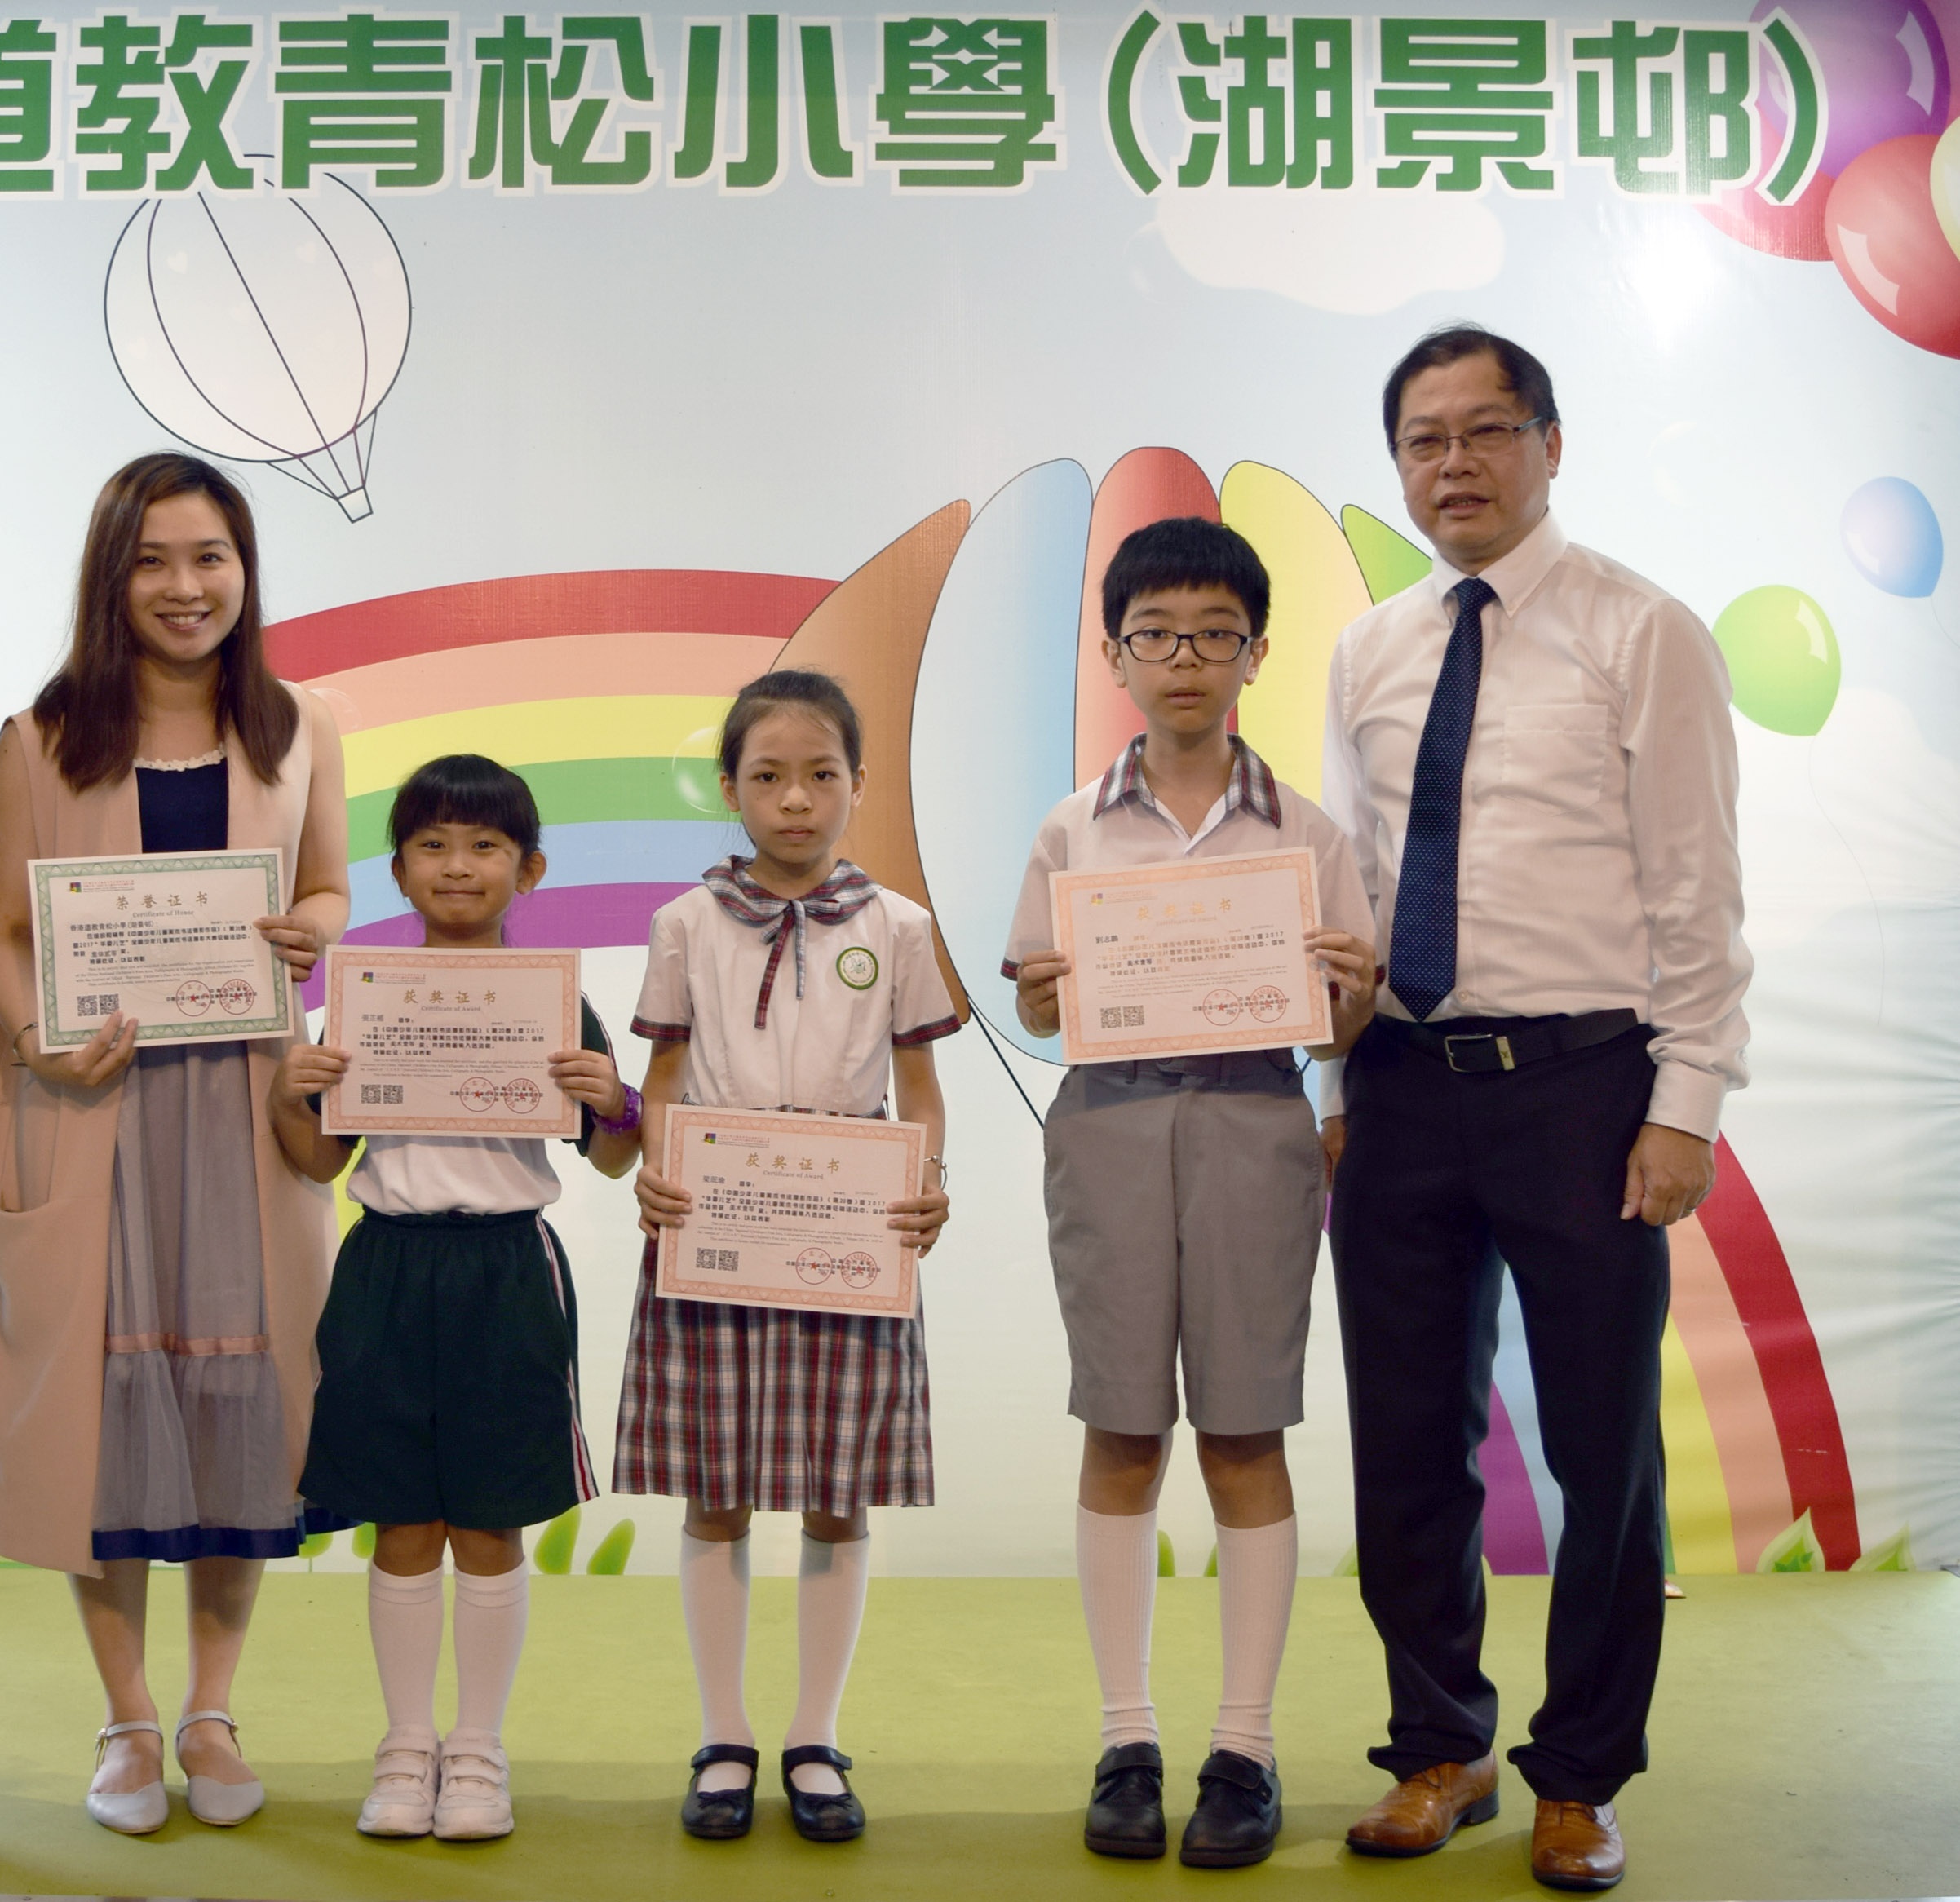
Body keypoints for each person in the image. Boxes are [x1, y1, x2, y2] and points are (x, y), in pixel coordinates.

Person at [1319, 326, 1750, 1892]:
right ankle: (1439, 1749)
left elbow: (1698, 891)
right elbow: (1355, 894)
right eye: (1424, 440)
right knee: (1405, 1443)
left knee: (1601, 1449)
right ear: (1400, 467)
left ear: (1551, 445)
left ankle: (1581, 1775)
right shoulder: (1368, 651)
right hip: (1398, 1086)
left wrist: (1686, 1103)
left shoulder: (1646, 632)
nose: (1456, 464)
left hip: (1585, 1089)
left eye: (1487, 430)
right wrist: (1332, 1077)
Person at [0, 452, 350, 1835]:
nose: (185, 587)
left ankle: (212, 1708)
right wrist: (38, 1044)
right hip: (99, 1113)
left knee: (240, 1410)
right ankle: (129, 1717)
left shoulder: (300, 726)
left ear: (244, 572)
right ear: (110, 575)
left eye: (210, 557)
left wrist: (312, 926)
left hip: (245, 1115)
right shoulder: (38, 740)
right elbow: (7, 939)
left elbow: (328, 882)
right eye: (153, 560)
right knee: (101, 1418)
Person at [1002, 517, 1378, 1868]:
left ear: (1256, 654)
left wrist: (1352, 997)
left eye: (1214, 634)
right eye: (1155, 634)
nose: (1184, 658)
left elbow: (1340, 1027)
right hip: (1108, 1121)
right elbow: (1039, 1006)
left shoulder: (1308, 833)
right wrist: (1048, 991)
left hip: (1256, 1124)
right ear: (1114, 654)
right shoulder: (1070, 826)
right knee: (1121, 1429)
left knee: (1242, 1432)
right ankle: (1128, 1741)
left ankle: (1246, 1750)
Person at [271, 754, 644, 1843]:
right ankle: (404, 1747)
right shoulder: (363, 1000)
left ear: (530, 870)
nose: (458, 865)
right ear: (398, 871)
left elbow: (614, 1157)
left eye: (485, 845)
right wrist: (292, 1093)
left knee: (487, 1521)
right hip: (385, 1267)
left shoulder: (559, 1003)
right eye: (431, 844)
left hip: (507, 1272)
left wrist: (615, 1100)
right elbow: (318, 1160)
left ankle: (478, 1749)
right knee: (401, 1520)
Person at [615, 669, 957, 1845]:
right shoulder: (684, 923)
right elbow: (663, 1076)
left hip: (850, 1237)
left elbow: (920, 1085)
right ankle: (724, 1736)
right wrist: (657, 1171)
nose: (796, 799)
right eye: (768, 776)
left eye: (821, 774)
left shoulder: (899, 926)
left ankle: (815, 1736)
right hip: (716, 1233)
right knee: (715, 1494)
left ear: (859, 785)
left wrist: (929, 1181)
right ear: (730, 787)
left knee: (835, 1493)